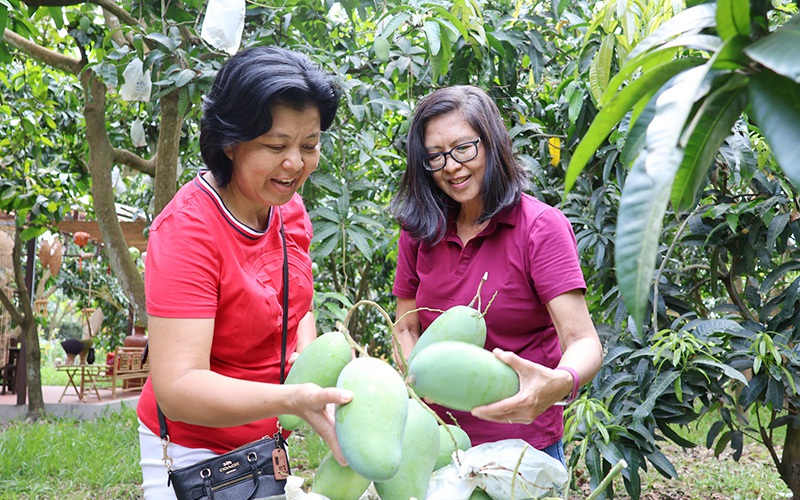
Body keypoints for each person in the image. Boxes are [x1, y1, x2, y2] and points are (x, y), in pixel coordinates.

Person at [136, 46, 353, 498]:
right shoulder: (187, 232)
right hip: (195, 458)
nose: (295, 163)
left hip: (266, 448)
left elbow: (297, 306)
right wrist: (291, 398)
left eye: (309, 146)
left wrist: (306, 364)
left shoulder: (288, 209)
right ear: (230, 142)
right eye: (276, 146)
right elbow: (178, 386)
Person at [391, 85, 603, 465]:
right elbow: (406, 326)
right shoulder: (419, 230)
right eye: (435, 157)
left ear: (491, 142)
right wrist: (415, 377)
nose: (451, 166)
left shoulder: (540, 227)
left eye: (463, 149)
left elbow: (582, 338)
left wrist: (559, 381)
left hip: (521, 448)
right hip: (436, 443)